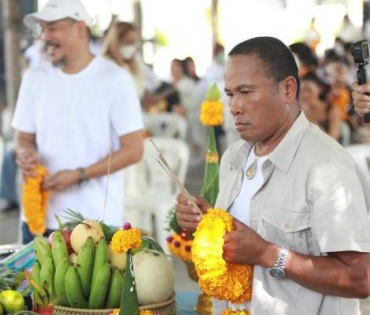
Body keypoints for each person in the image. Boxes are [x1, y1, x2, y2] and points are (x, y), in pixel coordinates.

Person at [176, 36, 370, 314]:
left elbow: (359, 279)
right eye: (231, 94)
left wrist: (268, 254)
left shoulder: (327, 165)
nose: (234, 107)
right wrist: (210, 222)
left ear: (288, 89)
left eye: (246, 92)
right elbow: (244, 232)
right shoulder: (234, 157)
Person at [12, 0, 144, 244]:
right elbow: (24, 137)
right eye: (43, 30)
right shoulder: (34, 77)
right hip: (37, 218)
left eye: (53, 28)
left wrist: (81, 174)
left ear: (80, 29)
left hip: (94, 220)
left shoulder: (114, 79)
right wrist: (26, 152)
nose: (45, 37)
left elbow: (134, 149)